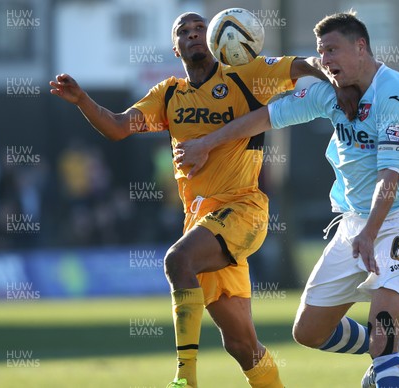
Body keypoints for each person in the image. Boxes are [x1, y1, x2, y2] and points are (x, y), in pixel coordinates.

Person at [50, 11, 359, 388]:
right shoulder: (168, 95)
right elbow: (118, 127)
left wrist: (336, 78)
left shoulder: (245, 74)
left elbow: (303, 64)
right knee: (242, 345)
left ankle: (185, 379)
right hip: (202, 223)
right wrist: (82, 100)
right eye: (184, 30)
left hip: (244, 210)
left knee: (178, 260)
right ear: (174, 44)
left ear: (214, 38)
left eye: (200, 28)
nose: (193, 34)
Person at [175, 12, 399, 388]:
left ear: (361, 47)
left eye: (332, 49)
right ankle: (385, 350)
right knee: (308, 331)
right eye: (319, 52)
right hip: (354, 223)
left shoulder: (395, 93)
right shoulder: (326, 89)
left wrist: (370, 233)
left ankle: (386, 352)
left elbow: (389, 176)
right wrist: (204, 144)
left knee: (383, 334)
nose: (324, 60)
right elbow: (265, 117)